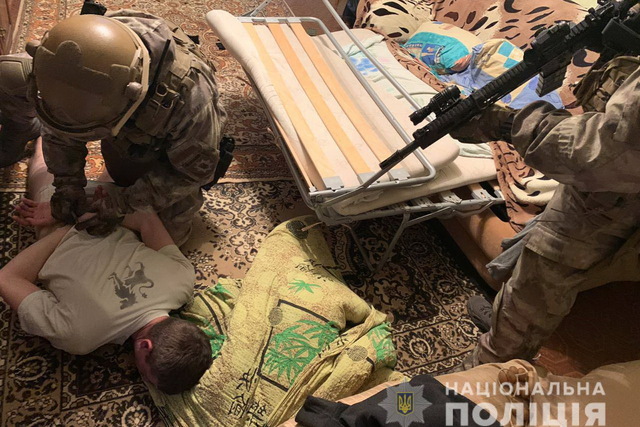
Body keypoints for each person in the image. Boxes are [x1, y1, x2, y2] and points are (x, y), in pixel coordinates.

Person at [450, 52, 640, 366]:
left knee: (534, 298)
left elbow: (601, 152)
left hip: (612, 200)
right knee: (525, 284)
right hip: (600, 190)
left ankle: (487, 372)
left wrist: (507, 123)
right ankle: (503, 328)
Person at [0, 7, 229, 246]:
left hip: (154, 145)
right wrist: (67, 191)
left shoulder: (190, 100)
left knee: (171, 237)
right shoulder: (63, 57)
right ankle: (23, 129)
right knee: (8, 75)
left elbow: (191, 174)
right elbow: (62, 128)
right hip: (111, 106)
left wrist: (120, 204)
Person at [3, 140, 213, 395]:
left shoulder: (184, 280)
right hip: (59, 219)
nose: (144, 380)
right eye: (148, 377)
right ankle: (41, 135)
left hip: (106, 205)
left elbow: (145, 217)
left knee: (107, 175)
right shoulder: (79, 337)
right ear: (145, 346)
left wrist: (84, 214)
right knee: (41, 169)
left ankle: (89, 168)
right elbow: (8, 278)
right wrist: (64, 225)